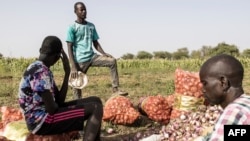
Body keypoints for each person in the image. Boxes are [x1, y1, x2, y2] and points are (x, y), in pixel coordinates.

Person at [18, 36, 103, 141]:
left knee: (96, 100)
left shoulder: (40, 68)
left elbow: (58, 101)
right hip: (41, 122)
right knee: (95, 108)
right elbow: (52, 109)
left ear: (40, 50)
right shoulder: (41, 72)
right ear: (58, 57)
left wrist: (67, 73)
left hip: (44, 115)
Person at [66, 1, 128, 99]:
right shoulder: (72, 27)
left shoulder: (91, 26)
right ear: (75, 12)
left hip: (92, 57)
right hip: (80, 61)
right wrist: (73, 66)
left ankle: (115, 89)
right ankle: (77, 105)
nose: (84, 12)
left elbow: (95, 42)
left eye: (85, 9)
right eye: (81, 10)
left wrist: (103, 53)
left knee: (112, 61)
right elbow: (69, 47)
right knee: (76, 85)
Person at [199, 54, 250, 141]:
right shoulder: (246, 102)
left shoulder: (233, 113)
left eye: (205, 83)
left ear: (223, 83)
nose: (202, 90)